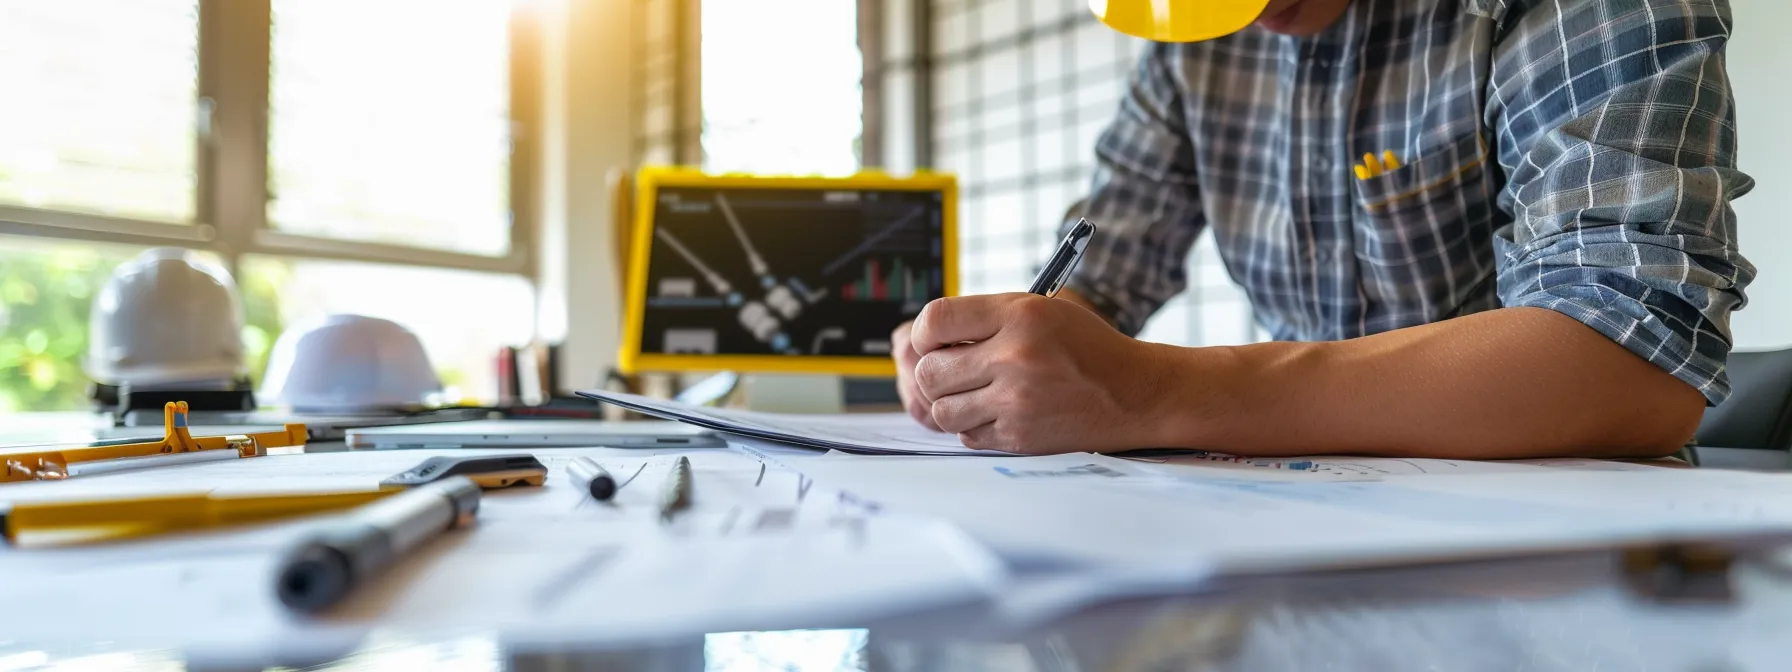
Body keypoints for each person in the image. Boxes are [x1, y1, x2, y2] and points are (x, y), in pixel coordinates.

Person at [891, 0, 1753, 459]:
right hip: (1290, 532)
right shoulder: (1193, 50)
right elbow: (1100, 275)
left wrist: (1153, 391)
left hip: (1546, 557)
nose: (1247, 16)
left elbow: (1637, 359)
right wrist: (1000, 353)